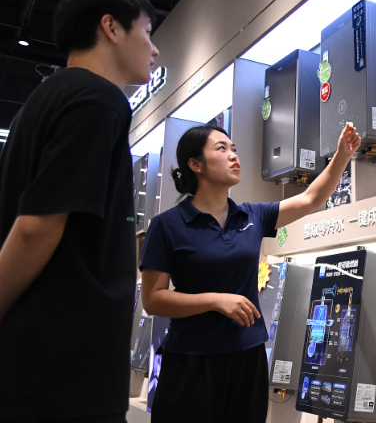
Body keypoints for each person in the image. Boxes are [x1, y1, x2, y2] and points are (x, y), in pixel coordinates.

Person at [0, 0, 159, 422]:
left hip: (39, 364)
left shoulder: (42, 101)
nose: (154, 49)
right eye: (147, 31)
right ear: (110, 27)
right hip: (63, 372)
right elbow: (36, 228)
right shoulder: (98, 99)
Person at [139, 123, 361, 423]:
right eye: (221, 149)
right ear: (195, 164)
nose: (233, 155)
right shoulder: (167, 225)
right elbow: (152, 299)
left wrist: (342, 156)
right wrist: (215, 301)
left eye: (234, 149)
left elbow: (311, 199)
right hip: (191, 359)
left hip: (247, 355)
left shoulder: (252, 216)